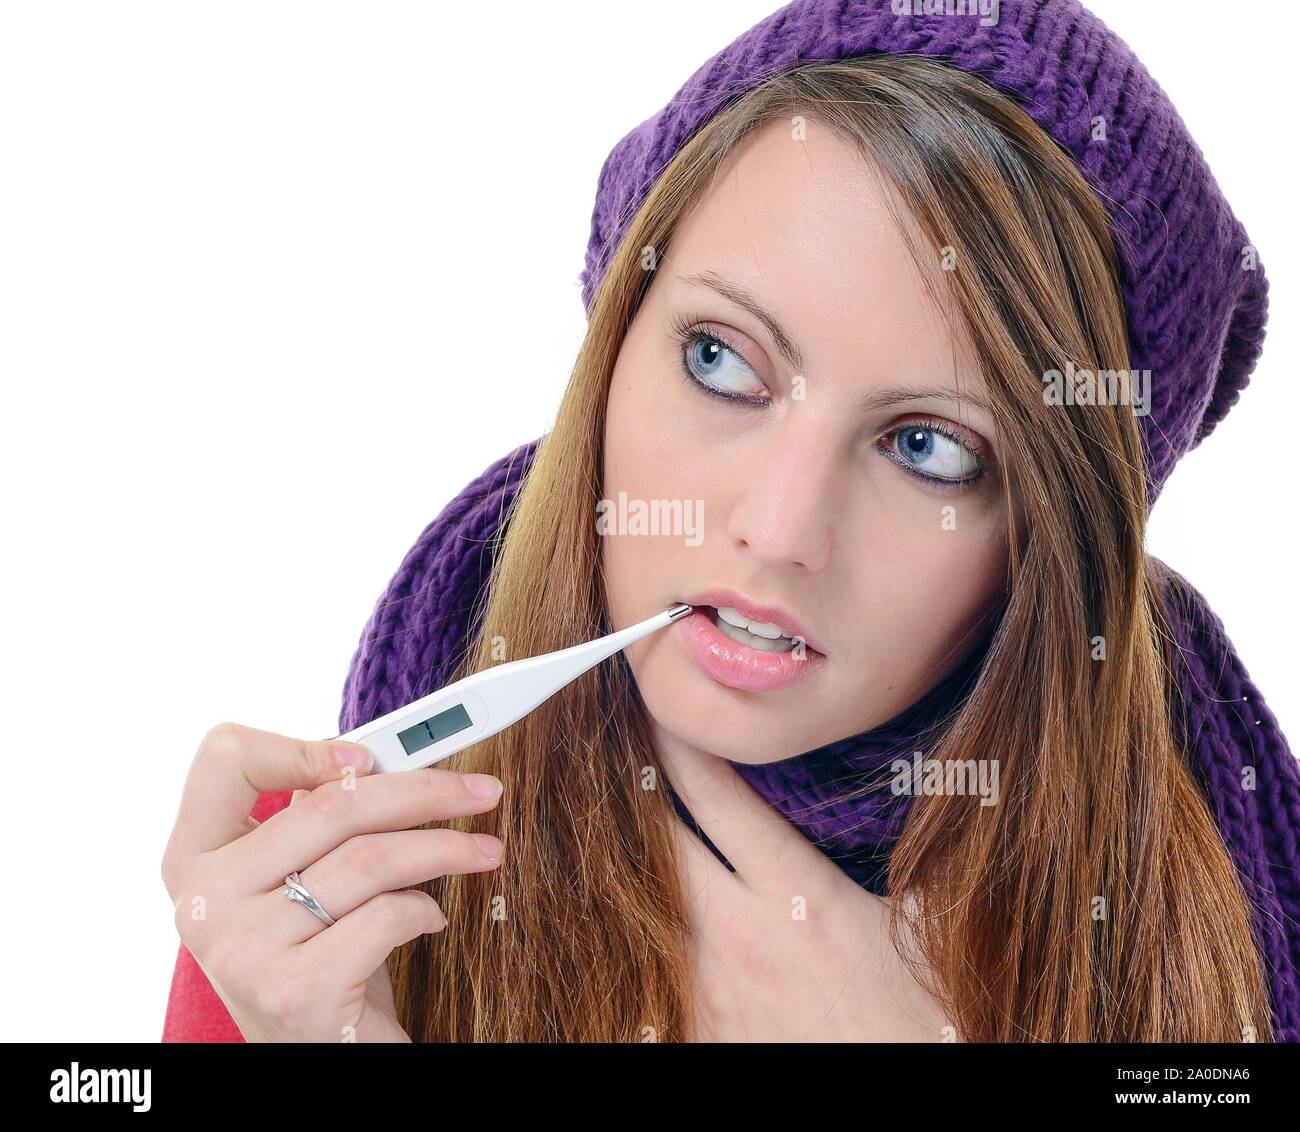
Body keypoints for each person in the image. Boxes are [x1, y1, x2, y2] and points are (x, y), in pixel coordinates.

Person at [161, 1, 1299, 1042]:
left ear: (1052, 552)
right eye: (720, 361)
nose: (777, 526)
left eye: (929, 448)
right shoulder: (311, 894)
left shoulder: (1216, 927)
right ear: (613, 337)